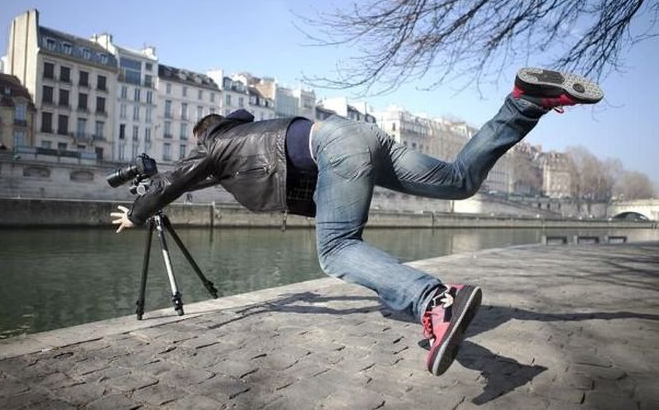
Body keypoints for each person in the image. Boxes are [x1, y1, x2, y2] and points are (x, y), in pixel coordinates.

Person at [111, 68, 603, 376]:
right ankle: (524, 101)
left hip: (337, 148)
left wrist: (136, 214)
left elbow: (174, 180)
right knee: (458, 181)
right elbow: (207, 178)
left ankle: (434, 300)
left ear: (205, 137)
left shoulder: (216, 145)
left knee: (336, 249)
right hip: (361, 137)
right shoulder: (247, 136)